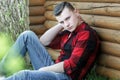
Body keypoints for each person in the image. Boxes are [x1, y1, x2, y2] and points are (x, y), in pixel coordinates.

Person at [0, 1, 100, 80]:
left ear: (76, 12)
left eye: (68, 18)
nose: (67, 24)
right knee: (27, 36)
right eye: (62, 21)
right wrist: (61, 24)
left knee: (24, 75)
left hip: (65, 77)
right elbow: (44, 41)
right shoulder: (70, 31)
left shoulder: (85, 34)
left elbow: (71, 65)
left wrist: (44, 70)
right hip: (55, 69)